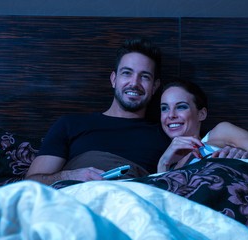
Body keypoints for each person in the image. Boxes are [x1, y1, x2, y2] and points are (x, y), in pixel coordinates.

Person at [25, 37, 171, 185]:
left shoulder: (164, 135)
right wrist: (69, 175)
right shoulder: (70, 125)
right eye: (127, 73)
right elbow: (31, 183)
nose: (134, 83)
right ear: (114, 79)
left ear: (154, 86)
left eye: (144, 77)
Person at [157, 78, 248, 172]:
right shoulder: (170, 163)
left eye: (181, 107)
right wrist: (163, 163)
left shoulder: (220, 133)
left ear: (201, 114)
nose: (171, 115)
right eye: (164, 108)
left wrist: (246, 160)